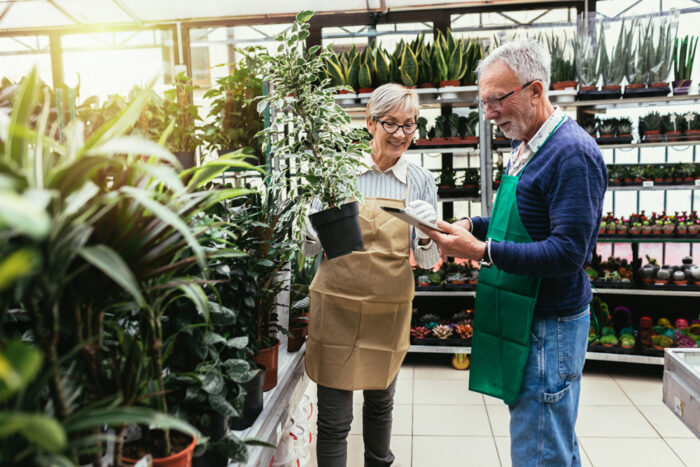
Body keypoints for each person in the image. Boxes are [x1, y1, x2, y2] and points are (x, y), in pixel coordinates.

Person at [422, 40, 607, 466]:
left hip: (549, 323)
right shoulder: (526, 144)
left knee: (540, 447)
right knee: (549, 438)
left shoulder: (571, 154)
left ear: (536, 91)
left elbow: (568, 254)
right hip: (527, 316)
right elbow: (520, 223)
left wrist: (482, 251)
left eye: (496, 100)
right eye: (483, 101)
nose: (488, 113)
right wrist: (471, 226)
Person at [302, 83, 440, 467]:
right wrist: (311, 231)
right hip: (337, 307)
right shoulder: (337, 175)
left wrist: (430, 238)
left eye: (410, 125)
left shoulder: (421, 181)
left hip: (388, 307)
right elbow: (310, 249)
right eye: (391, 124)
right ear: (369, 123)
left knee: (380, 405)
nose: (400, 135)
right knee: (334, 419)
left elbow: (427, 263)